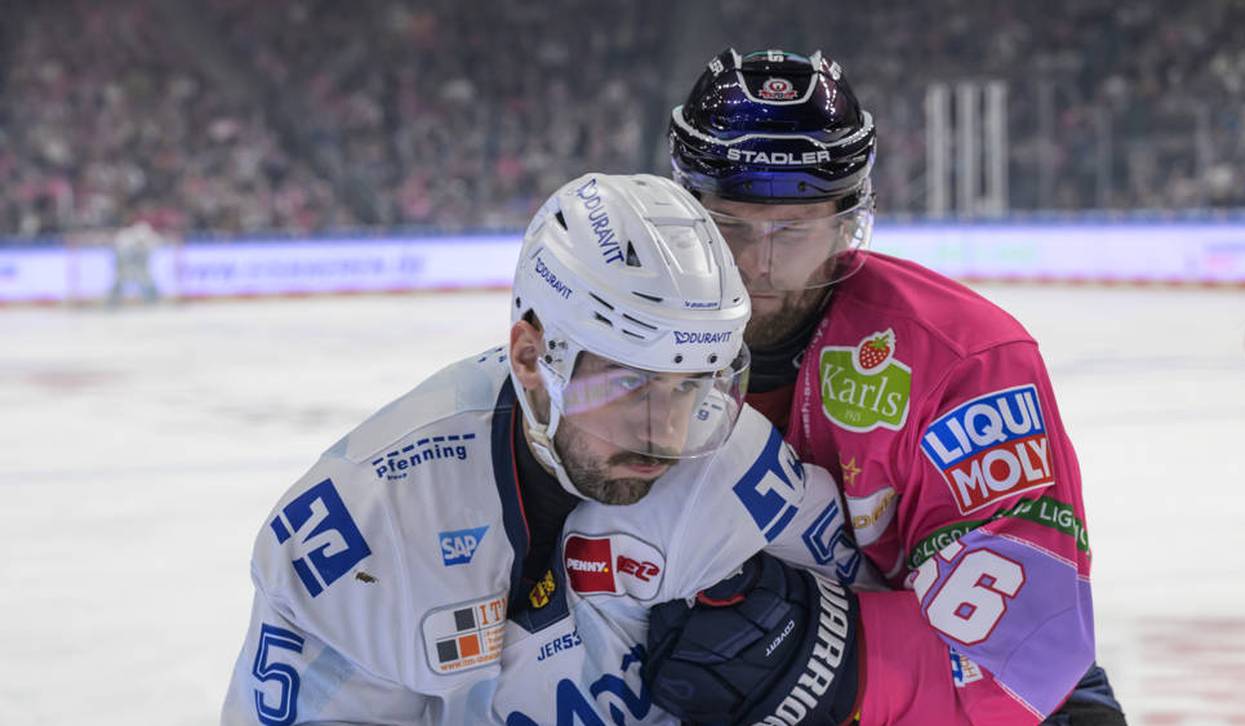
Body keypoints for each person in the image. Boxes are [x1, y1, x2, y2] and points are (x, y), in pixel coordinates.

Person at [220, 173, 872, 724]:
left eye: (689, 387)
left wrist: (829, 673)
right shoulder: (366, 532)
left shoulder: (727, 469)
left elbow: (890, 634)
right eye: (628, 383)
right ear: (531, 358)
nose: (665, 433)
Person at [644, 48, 1127, 725]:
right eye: (730, 224)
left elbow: (1023, 649)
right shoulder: (623, 340)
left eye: (794, 227)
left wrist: (830, 669)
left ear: (847, 221)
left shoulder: (965, 359)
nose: (759, 263)